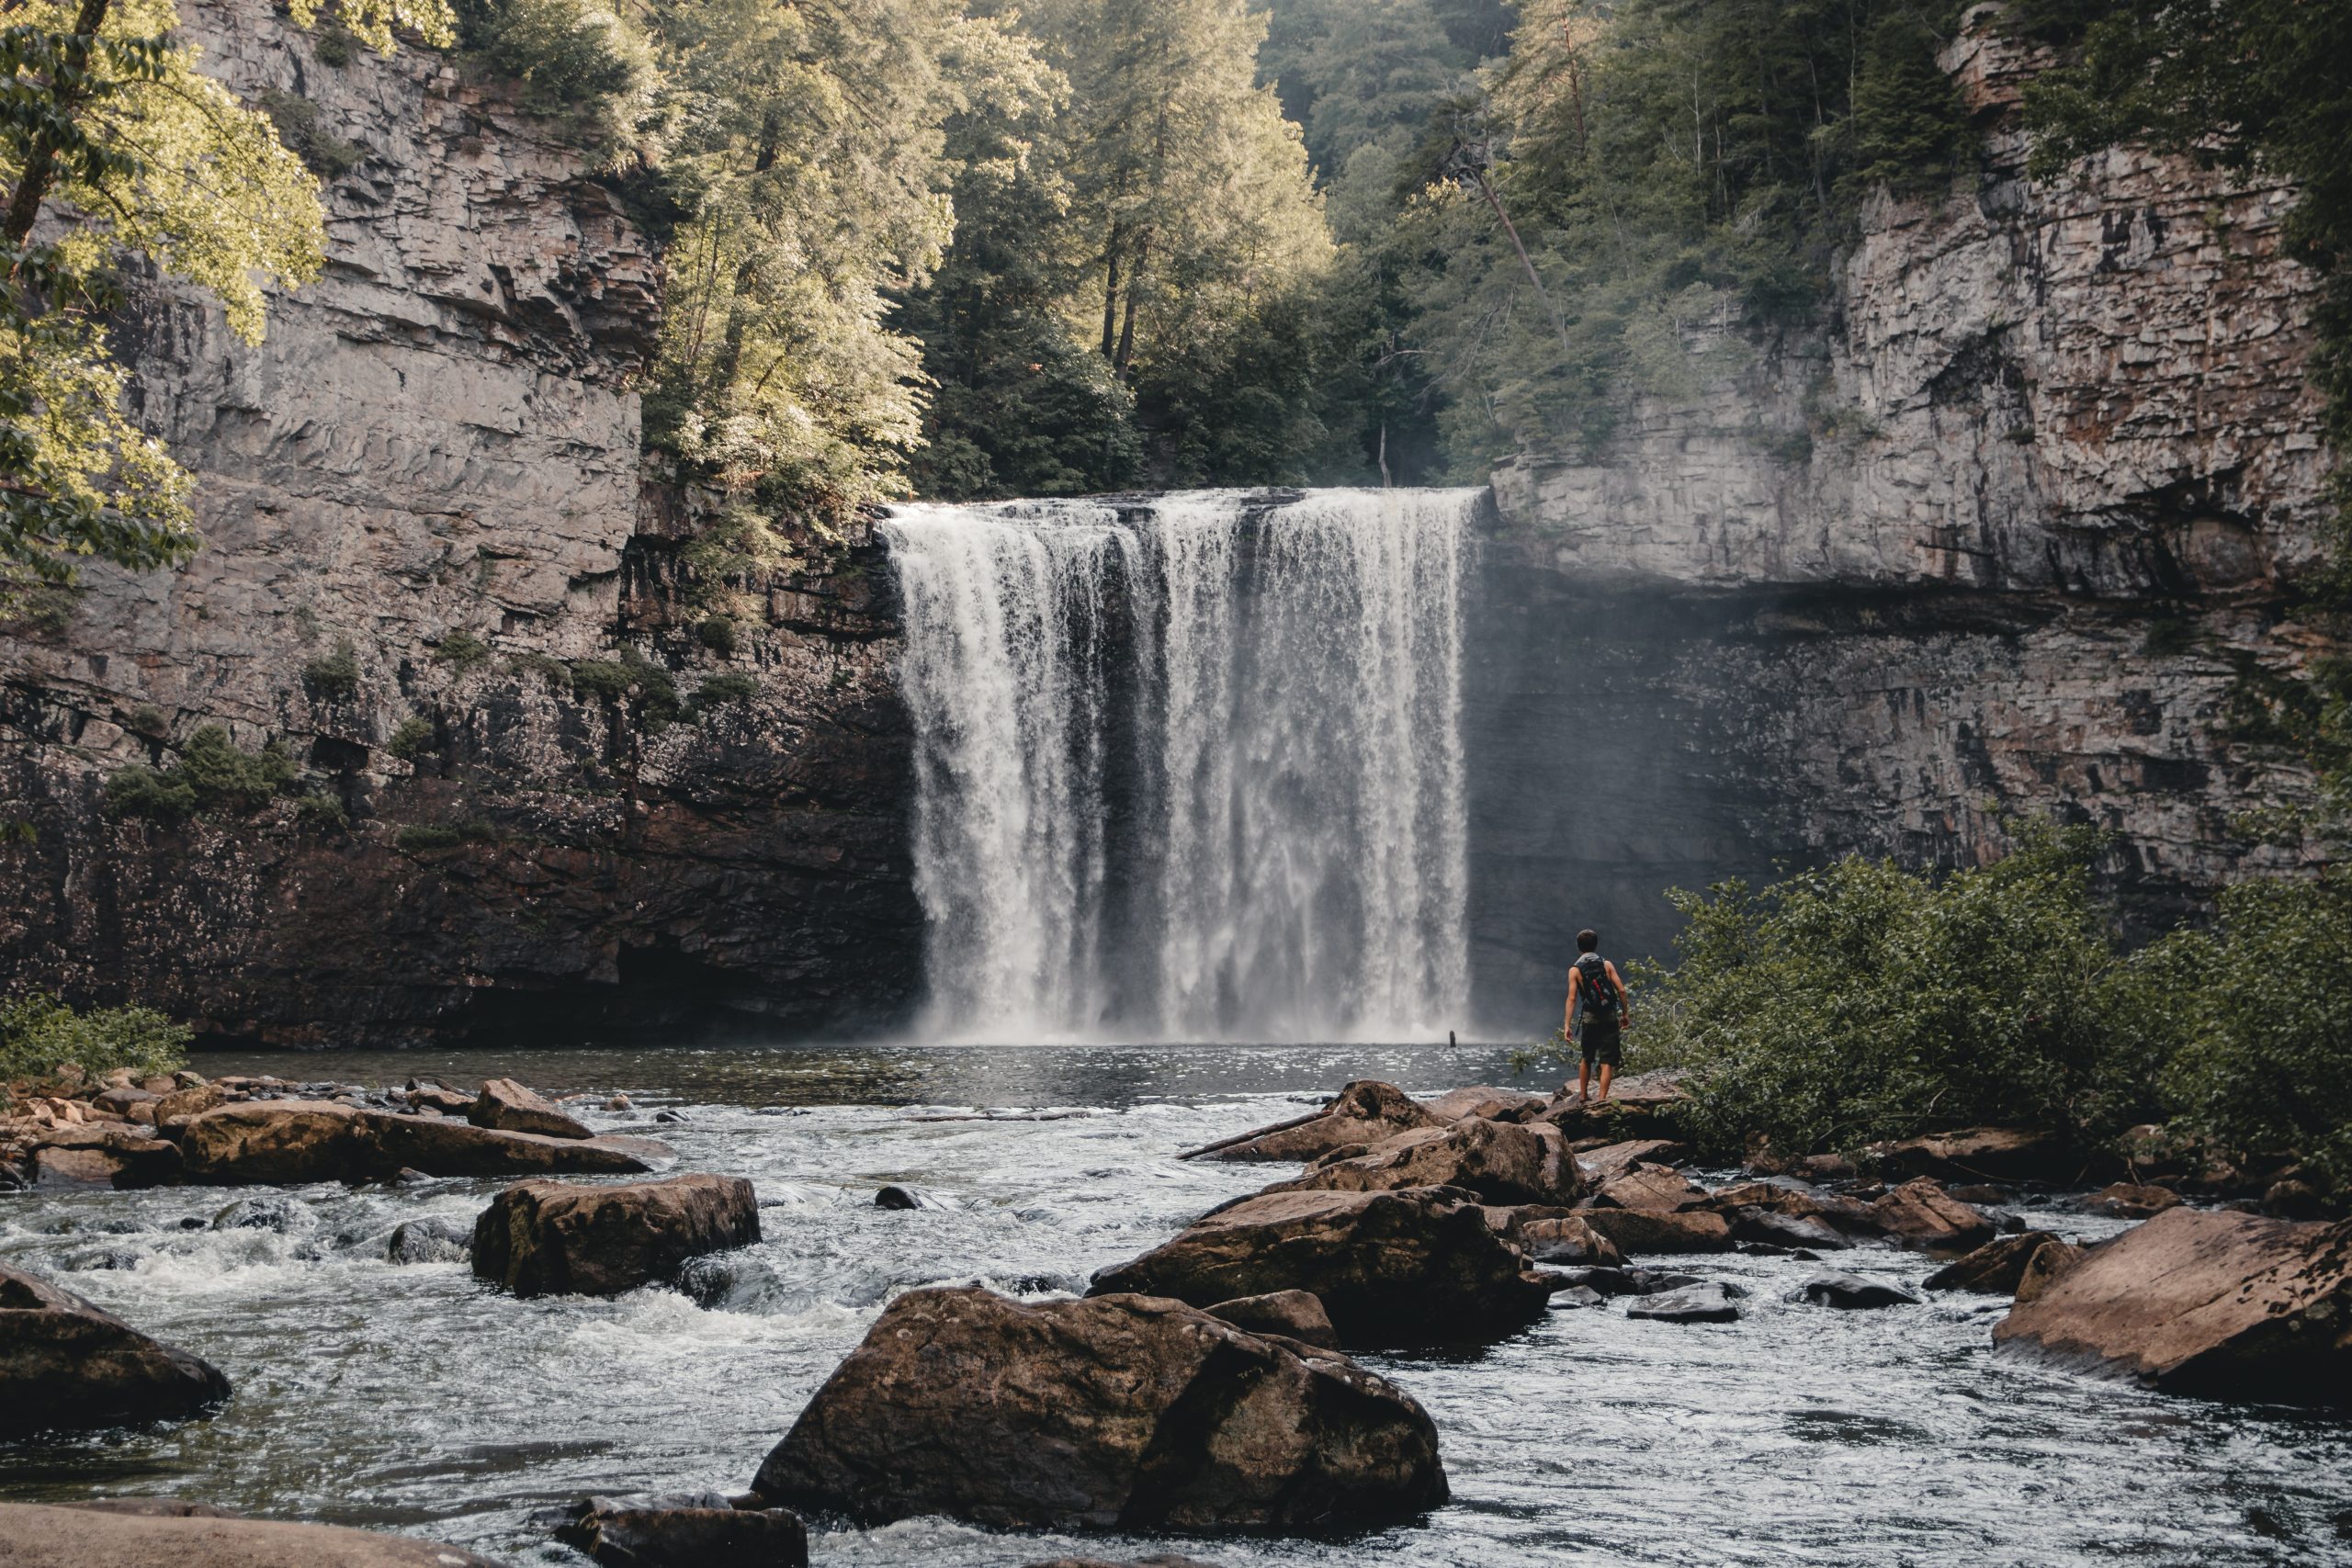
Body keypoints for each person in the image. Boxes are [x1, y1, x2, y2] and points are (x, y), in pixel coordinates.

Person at [1562, 928, 1630, 1103]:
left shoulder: (1575, 970)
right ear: (1596, 945)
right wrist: (1625, 1014)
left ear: (1578, 946)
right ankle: (1601, 1100)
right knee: (1607, 1060)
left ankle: (1583, 1096)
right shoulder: (1606, 964)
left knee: (1587, 1058)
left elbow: (1572, 998)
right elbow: (1621, 990)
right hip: (1609, 1017)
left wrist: (1567, 1025)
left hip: (1590, 1019)